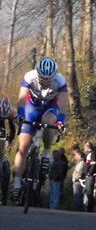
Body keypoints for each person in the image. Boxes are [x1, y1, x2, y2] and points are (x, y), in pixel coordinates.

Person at [13, 56, 69, 201]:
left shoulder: (61, 81)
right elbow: (21, 99)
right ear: (37, 74)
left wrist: (62, 121)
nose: (44, 83)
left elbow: (63, 105)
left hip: (50, 108)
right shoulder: (29, 77)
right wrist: (20, 115)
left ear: (54, 77)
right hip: (32, 108)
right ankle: (17, 183)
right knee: (23, 147)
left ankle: (46, 152)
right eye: (42, 80)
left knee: (49, 121)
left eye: (48, 81)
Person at [71, 146, 87, 211]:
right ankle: (78, 208)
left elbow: (79, 173)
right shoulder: (79, 162)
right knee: (77, 196)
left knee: (78, 196)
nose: (75, 157)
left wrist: (74, 178)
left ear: (80, 155)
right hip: (77, 182)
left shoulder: (82, 163)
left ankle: (79, 209)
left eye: (76, 155)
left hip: (78, 182)